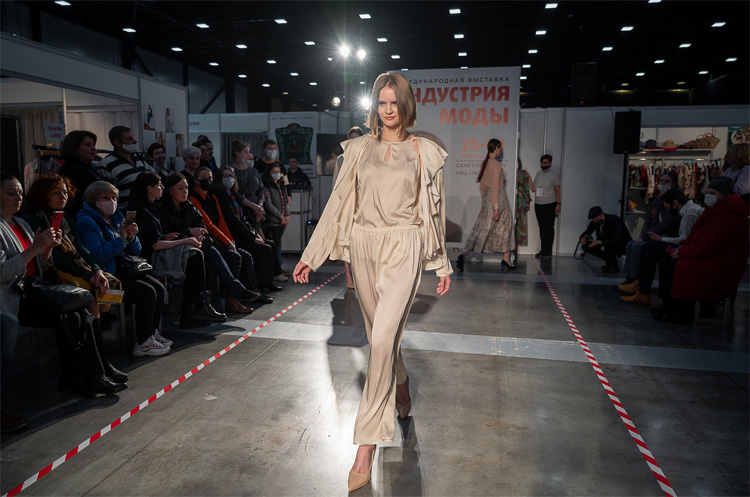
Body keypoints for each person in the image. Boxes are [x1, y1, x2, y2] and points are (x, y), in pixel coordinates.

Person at [293, 72, 452, 492]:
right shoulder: (359, 149)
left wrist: (441, 262)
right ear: (374, 106)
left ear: (406, 105)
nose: (388, 109)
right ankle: (400, 383)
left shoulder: (423, 151)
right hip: (363, 247)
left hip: (404, 246)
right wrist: (312, 253)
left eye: (395, 102)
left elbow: (433, 211)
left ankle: (365, 445)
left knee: (380, 340)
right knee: (382, 337)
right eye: (382, 102)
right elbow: (337, 205)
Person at [5, 174, 127, 396]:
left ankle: (90, 371)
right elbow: (12, 270)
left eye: (20, 193)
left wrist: (95, 269)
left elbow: (48, 261)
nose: (17, 198)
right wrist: (39, 248)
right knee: (81, 306)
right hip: (22, 292)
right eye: (11, 193)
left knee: (80, 311)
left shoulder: (25, 223)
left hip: (36, 286)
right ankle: (90, 372)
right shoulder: (30, 220)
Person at [76, 181, 171, 356]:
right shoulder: (86, 221)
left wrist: (132, 237)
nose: (111, 201)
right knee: (147, 293)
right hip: (107, 279)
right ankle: (143, 342)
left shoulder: (116, 217)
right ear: (94, 200)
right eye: (105, 197)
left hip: (125, 269)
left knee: (159, 288)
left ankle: (151, 333)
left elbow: (136, 251)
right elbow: (96, 256)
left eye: (114, 197)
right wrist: (121, 240)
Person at [128, 172, 226, 328]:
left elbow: (155, 236)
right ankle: (193, 309)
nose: (162, 188)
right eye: (159, 185)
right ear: (149, 188)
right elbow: (153, 244)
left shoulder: (153, 207)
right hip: (148, 257)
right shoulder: (139, 210)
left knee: (201, 255)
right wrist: (186, 239)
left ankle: (199, 306)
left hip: (158, 249)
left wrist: (166, 236)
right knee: (194, 254)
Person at [160, 174, 259, 316]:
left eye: (186, 188)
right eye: (180, 188)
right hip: (177, 248)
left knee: (224, 256)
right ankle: (232, 291)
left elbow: (202, 225)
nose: (185, 192)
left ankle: (216, 302)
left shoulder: (189, 206)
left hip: (197, 245)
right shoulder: (163, 209)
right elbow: (167, 233)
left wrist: (199, 233)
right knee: (210, 253)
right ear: (170, 190)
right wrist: (189, 232)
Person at [657, 176, 749, 321]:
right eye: (707, 192)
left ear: (724, 194)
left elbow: (708, 244)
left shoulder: (728, 215)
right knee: (666, 261)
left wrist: (682, 251)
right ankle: (670, 305)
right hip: (711, 255)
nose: (708, 196)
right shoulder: (716, 211)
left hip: (720, 262)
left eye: (713, 193)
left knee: (677, 265)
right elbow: (699, 238)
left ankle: (681, 309)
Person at [189, 167, 262, 313]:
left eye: (210, 178)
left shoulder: (213, 198)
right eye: (203, 177)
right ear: (196, 180)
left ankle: (253, 290)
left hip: (219, 238)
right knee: (235, 257)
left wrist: (230, 240)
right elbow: (209, 224)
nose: (207, 180)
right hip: (209, 239)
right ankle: (232, 299)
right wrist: (227, 242)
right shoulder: (193, 199)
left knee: (245, 255)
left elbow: (221, 222)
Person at [619, 188, 704, 304]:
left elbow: (685, 239)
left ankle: (642, 288)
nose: (668, 210)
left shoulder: (690, 212)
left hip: (687, 248)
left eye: (668, 208)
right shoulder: (688, 211)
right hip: (683, 245)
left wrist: (661, 239)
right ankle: (640, 287)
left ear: (675, 203)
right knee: (647, 250)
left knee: (648, 250)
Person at [215, 166, 282, 296]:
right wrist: (252, 238)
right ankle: (259, 285)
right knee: (265, 249)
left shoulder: (232, 195)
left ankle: (268, 280)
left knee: (270, 243)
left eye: (232, 176)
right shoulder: (221, 196)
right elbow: (234, 222)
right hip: (233, 237)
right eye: (226, 176)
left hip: (242, 233)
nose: (229, 179)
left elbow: (242, 219)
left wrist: (254, 234)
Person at [457, 138, 515, 271]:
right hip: (499, 199)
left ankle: (464, 255)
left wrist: (486, 203)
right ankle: (506, 259)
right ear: (497, 148)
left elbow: (483, 186)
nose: (501, 151)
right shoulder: (496, 165)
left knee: (480, 229)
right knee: (505, 228)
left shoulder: (485, 163)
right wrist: (496, 208)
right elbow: (495, 187)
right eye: (501, 148)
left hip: (488, 200)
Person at [619, 172, 681, 288]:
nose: (663, 183)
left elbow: (666, 224)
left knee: (638, 246)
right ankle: (629, 277)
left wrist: (645, 237)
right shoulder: (660, 200)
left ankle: (635, 280)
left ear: (674, 183)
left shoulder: (675, 200)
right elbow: (654, 222)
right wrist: (644, 236)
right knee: (631, 244)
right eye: (661, 181)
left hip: (669, 237)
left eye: (667, 181)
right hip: (659, 234)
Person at [96, 126, 154, 208]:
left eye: (133, 137)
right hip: (126, 212)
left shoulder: (138, 157)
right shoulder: (106, 165)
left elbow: (152, 178)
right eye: (129, 139)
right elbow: (105, 196)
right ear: (118, 143)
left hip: (147, 209)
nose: (135, 141)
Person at [338, 127, 366, 289]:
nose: (353, 141)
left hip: (364, 206)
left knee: (361, 242)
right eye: (351, 138)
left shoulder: (368, 157)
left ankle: (361, 276)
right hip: (347, 206)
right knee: (346, 241)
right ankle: (349, 276)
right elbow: (336, 186)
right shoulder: (341, 159)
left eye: (357, 138)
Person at [58, 130, 101, 215]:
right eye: (88, 145)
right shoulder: (69, 169)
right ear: (75, 147)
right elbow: (75, 197)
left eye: (94, 145)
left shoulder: (92, 166)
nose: (93, 149)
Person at [578, 206, 632, 273]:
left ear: (602, 214)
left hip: (620, 244)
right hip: (606, 242)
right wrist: (582, 239)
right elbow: (587, 232)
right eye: (593, 220)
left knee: (609, 245)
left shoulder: (614, 220)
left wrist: (599, 242)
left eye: (597, 219)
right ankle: (611, 261)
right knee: (586, 247)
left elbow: (615, 239)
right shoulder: (595, 222)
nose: (595, 221)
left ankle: (613, 266)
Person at [262, 163, 291, 278]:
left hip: (282, 221)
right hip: (273, 221)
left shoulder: (281, 186)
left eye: (278, 172)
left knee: (278, 244)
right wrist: (280, 216)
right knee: (274, 245)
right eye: (274, 172)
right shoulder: (267, 187)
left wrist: (287, 215)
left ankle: (279, 267)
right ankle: (276, 271)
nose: (277, 174)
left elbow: (285, 202)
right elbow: (269, 206)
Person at [229, 140, 266, 226]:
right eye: (245, 152)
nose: (248, 155)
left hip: (256, 209)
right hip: (241, 207)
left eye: (249, 152)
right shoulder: (231, 170)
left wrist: (259, 206)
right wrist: (253, 206)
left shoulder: (254, 171)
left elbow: (261, 189)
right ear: (237, 153)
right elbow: (235, 192)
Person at [533, 154, 560, 257]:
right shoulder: (538, 173)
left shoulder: (554, 174)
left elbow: (557, 190)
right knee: (542, 227)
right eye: (542, 163)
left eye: (545, 163)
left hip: (550, 203)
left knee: (549, 227)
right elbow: (534, 187)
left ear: (550, 163)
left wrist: (558, 204)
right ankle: (543, 249)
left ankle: (548, 250)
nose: (543, 165)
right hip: (538, 204)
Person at [515, 157, 535, 247]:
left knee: (521, 222)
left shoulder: (524, 173)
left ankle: (518, 242)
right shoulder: (509, 171)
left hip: (521, 201)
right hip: (512, 200)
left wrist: (528, 203)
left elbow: (528, 189)